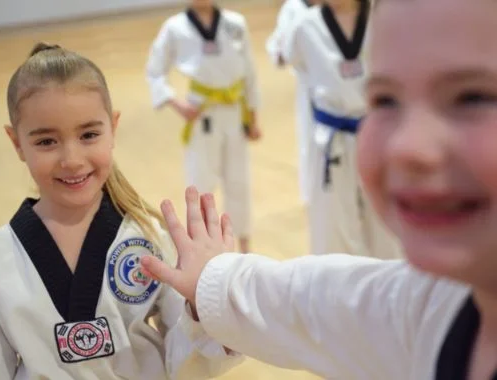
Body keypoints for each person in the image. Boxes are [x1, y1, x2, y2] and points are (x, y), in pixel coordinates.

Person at [140, 0, 497, 378]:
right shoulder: (429, 313)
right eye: (384, 100)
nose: (408, 146)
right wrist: (217, 280)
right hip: (237, 124)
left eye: (472, 98)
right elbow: (322, 303)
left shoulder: (237, 24)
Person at [0, 43, 244, 380]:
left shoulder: (149, 237)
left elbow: (186, 367)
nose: (72, 159)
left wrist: (201, 303)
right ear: (16, 142)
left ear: (113, 128)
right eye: (46, 141)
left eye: (89, 134)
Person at [279, 0, 402, 258]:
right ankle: (337, 295)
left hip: (378, 135)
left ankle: (392, 291)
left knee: (387, 225)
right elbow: (296, 64)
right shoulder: (304, 25)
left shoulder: (385, 18)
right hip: (331, 141)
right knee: (332, 227)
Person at [145, 0, 261, 253]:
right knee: (201, 182)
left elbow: (249, 72)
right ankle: (204, 249)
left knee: (239, 182)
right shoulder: (175, 28)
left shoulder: (235, 23)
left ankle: (244, 247)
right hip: (201, 113)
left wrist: (253, 116)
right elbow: (155, 71)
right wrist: (176, 103)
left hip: (234, 111)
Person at [266, 0, 319, 205]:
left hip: (344, 87)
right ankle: (310, 196)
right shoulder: (293, 7)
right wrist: (280, 53)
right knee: (308, 138)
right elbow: (278, 44)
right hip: (308, 85)